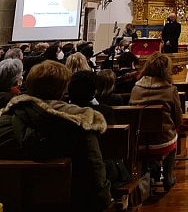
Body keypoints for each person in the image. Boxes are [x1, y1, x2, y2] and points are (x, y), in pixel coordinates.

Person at [0, 61, 111, 211]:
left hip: (11, 203)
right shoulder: (78, 123)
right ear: (63, 90)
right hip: (70, 203)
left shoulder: (4, 120)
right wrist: (104, 200)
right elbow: (95, 168)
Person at [130, 53, 183, 192]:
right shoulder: (170, 90)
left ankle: (151, 170)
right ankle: (167, 176)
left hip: (138, 141)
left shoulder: (136, 88)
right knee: (172, 135)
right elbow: (178, 119)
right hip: (162, 142)